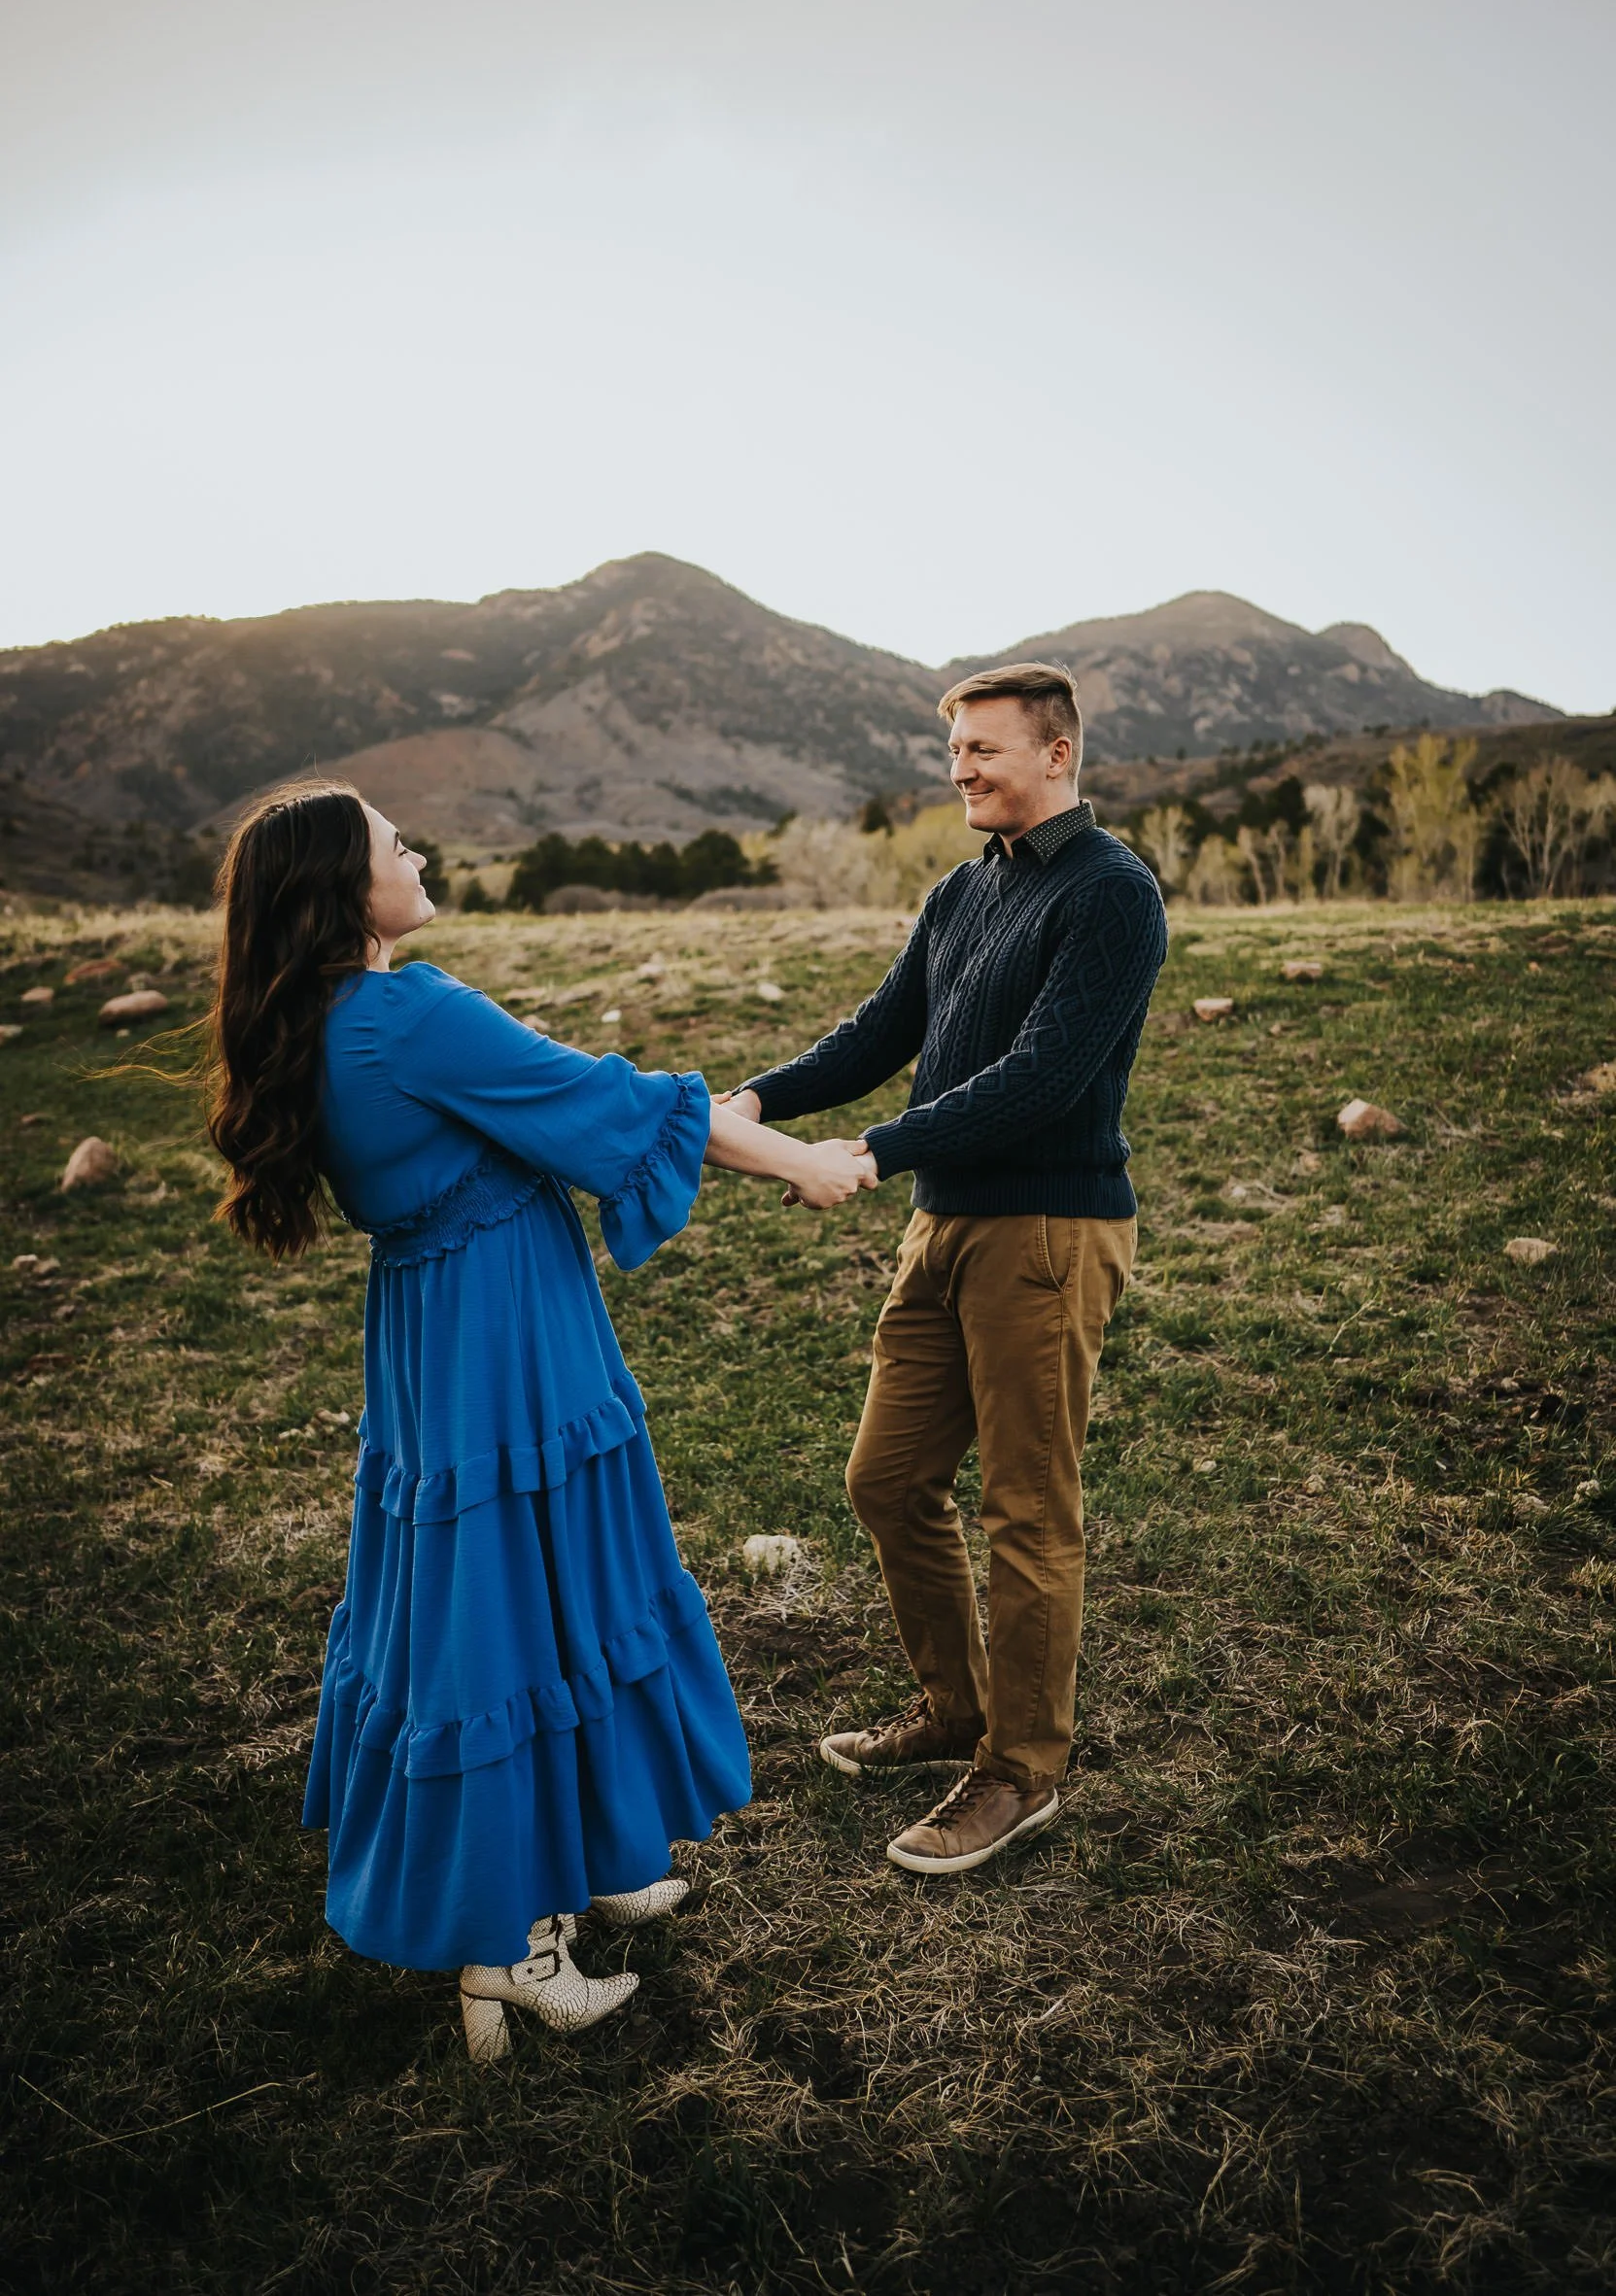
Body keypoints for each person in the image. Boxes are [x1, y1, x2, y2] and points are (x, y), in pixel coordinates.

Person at [204, 780, 875, 2061]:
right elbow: (604, 1104)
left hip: (441, 1339)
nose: (417, 849)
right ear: (349, 894)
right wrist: (804, 1162)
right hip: (501, 1346)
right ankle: (508, 1944)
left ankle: (582, 1852)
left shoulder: (329, 1019)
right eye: (394, 843)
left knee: (536, 1592)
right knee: (509, 1613)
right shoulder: (407, 1014)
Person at [725, 665, 1167, 1876]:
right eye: (954, 750)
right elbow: (882, 1030)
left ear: (1058, 754)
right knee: (887, 1478)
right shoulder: (963, 888)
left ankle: (1022, 1769)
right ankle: (954, 1708)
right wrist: (756, 1100)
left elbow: (1043, 1075)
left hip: (1047, 1233)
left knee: (1029, 1509)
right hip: (945, 1226)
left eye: (983, 749)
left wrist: (872, 1148)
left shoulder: (1112, 893)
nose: (960, 769)